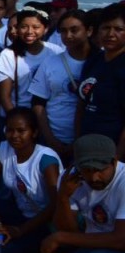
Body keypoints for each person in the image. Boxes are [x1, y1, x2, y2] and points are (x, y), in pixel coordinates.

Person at [0, 107, 62, 253]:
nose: (14, 136)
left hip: (43, 221)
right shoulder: (3, 149)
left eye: (21, 131)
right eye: (10, 130)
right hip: (20, 213)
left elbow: (55, 205)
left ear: (34, 133)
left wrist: (21, 230)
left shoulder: (46, 160)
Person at [30, 9, 91, 162]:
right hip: (52, 137)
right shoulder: (51, 62)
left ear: (89, 30)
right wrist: (51, 140)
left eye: (74, 30)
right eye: (63, 31)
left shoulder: (100, 63)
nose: (68, 36)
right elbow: (38, 103)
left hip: (88, 139)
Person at [77, 4, 125, 161]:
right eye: (106, 28)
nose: (111, 34)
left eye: (118, 29)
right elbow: (81, 103)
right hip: (87, 142)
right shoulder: (94, 60)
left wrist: (117, 158)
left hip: (113, 147)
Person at [0, 7, 58, 117]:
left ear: (46, 29)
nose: (29, 31)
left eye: (36, 27)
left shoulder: (55, 51)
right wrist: (17, 120)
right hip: (16, 115)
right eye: (24, 27)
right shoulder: (8, 55)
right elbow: (5, 97)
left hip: (46, 116)